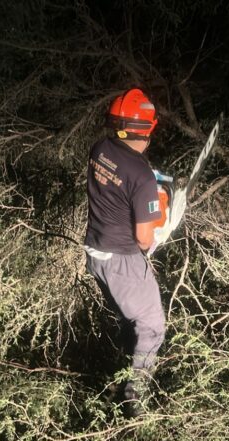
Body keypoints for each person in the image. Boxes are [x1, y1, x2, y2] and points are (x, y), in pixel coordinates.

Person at [84, 88, 165, 415]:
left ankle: (120, 368)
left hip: (95, 253)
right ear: (149, 129)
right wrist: (159, 224)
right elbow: (144, 240)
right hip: (123, 262)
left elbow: (120, 184)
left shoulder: (100, 148)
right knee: (152, 327)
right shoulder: (142, 174)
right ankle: (136, 400)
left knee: (127, 319)